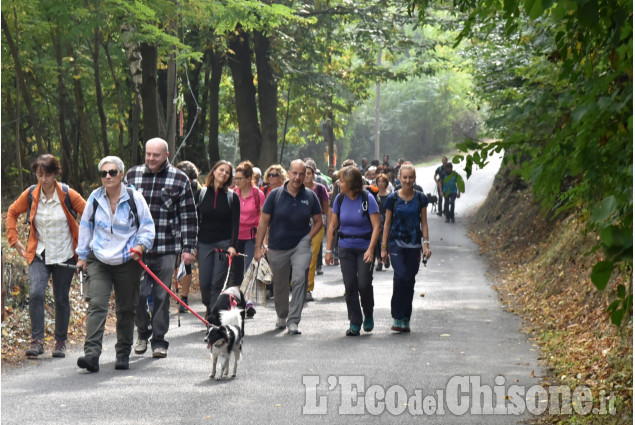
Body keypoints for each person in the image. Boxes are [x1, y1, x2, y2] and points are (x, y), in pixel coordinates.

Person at [76, 156, 155, 372]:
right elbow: (85, 227)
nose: (108, 176)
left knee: (126, 308)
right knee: (97, 305)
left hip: (127, 260)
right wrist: (82, 256)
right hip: (99, 259)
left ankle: (122, 354)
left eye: (112, 172)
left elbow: (147, 227)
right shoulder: (94, 198)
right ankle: (91, 355)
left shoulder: (134, 198)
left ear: (121, 174)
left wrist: (141, 246)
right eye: (104, 173)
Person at [6, 154, 86, 359]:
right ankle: (37, 341)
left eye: (47, 175)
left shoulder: (68, 194)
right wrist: (14, 241)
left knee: (61, 298)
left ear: (56, 174)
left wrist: (86, 248)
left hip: (65, 254)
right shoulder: (32, 194)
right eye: (39, 175)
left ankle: (60, 342)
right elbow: (12, 212)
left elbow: (89, 215)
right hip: (39, 253)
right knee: (36, 294)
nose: (43, 179)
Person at [127, 138, 198, 359]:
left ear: (166, 155)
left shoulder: (179, 178)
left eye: (156, 155)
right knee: (138, 294)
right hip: (138, 249)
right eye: (148, 154)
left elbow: (188, 216)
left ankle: (159, 340)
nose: (151, 159)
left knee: (161, 295)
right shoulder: (132, 175)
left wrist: (188, 248)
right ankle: (143, 332)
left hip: (166, 247)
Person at [254, 160, 323, 335]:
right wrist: (258, 247)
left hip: (301, 245)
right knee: (280, 284)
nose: (298, 177)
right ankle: (282, 315)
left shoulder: (310, 196)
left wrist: (308, 238)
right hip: (277, 246)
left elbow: (318, 222)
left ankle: (294, 321)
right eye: (295, 173)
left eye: (301, 174)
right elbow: (263, 222)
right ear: (289, 173)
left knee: (300, 280)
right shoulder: (275, 195)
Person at [325, 166, 380, 336]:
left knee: (363, 284)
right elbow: (333, 225)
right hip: (345, 247)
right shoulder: (340, 199)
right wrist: (328, 250)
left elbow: (377, 226)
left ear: (351, 183)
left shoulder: (367, 198)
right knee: (350, 286)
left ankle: (368, 313)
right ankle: (355, 321)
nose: (338, 183)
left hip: (365, 246)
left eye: (341, 181)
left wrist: (371, 249)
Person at [381, 163, 431, 333]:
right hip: (396, 244)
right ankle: (397, 315)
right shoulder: (392, 198)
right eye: (405, 177)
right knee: (401, 276)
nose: (408, 180)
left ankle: (405, 319)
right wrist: (383, 247)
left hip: (414, 245)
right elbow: (387, 223)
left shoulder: (420, 198)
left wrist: (426, 245)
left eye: (411, 177)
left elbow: (424, 222)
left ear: (414, 178)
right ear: (399, 178)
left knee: (409, 280)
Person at [196, 160, 240, 321]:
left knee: (217, 283)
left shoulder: (231, 196)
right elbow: (194, 220)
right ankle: (209, 305)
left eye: (227, 172)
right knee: (205, 283)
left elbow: (236, 223)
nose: (224, 173)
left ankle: (213, 319)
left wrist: (232, 245)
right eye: (221, 170)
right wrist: (191, 244)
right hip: (204, 243)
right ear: (214, 171)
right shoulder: (201, 194)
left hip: (223, 244)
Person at [232, 160, 264, 316]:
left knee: (249, 269)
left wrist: (264, 242)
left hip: (252, 237)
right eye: (235, 178)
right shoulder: (233, 193)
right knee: (236, 270)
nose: (236, 182)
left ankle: (248, 302)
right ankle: (239, 301)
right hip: (236, 237)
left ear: (248, 178)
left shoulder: (257, 194)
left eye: (240, 179)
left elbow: (264, 219)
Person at [174, 160, 202, 313]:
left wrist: (193, 242)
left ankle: (184, 298)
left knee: (186, 263)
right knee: (173, 264)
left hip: (188, 228)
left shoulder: (197, 189)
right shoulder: (171, 181)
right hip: (171, 228)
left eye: (190, 179)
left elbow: (196, 214)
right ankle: (171, 296)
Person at [303, 161, 329, 302]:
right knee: (297, 257)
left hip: (317, 226)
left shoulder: (320, 189)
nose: (306, 176)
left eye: (309, 173)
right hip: (298, 227)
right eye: (304, 174)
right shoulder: (295, 188)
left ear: (314, 174)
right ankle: (296, 285)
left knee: (312, 258)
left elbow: (325, 209)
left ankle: (308, 288)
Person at [375, 173, 392, 271]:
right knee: (377, 240)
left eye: (383, 181)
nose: (381, 183)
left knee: (385, 239)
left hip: (387, 220)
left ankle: (386, 256)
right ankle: (379, 261)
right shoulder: (374, 195)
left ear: (386, 183)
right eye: (379, 181)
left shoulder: (390, 195)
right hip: (377, 220)